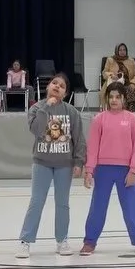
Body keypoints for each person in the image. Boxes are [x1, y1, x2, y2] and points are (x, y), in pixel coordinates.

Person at [80, 82, 135, 255]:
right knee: (98, 207)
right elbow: (93, 147)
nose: (114, 100)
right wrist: (89, 170)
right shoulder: (99, 119)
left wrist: (134, 170)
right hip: (103, 170)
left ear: (123, 98)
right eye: (111, 97)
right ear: (106, 98)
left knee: (132, 206)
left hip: (125, 170)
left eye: (117, 97)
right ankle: (89, 241)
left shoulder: (131, 119)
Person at [16, 73, 85, 258]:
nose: (57, 86)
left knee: (62, 204)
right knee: (37, 202)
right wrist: (46, 107)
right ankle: (25, 241)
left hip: (65, 165)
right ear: (48, 86)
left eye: (61, 86)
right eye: (54, 83)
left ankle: (62, 240)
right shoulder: (36, 108)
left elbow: (79, 139)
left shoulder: (72, 112)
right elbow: (38, 130)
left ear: (65, 92)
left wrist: (79, 162)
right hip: (42, 163)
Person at [102, 43, 135, 111]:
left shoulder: (131, 60)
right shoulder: (110, 60)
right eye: (120, 50)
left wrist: (133, 83)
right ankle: (118, 111)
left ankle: (130, 111)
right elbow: (104, 73)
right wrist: (111, 75)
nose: (122, 52)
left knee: (131, 89)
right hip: (114, 83)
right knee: (118, 89)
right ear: (117, 51)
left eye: (124, 50)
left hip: (128, 83)